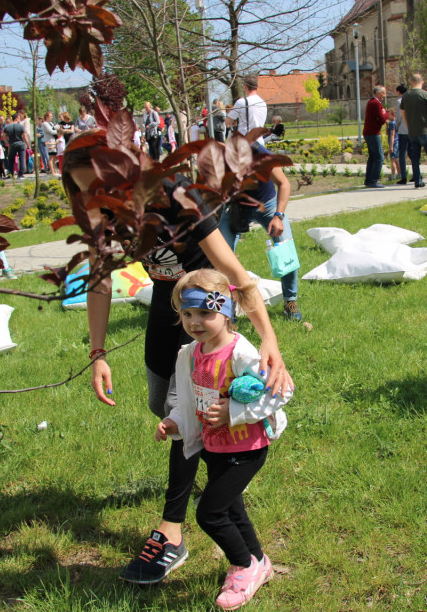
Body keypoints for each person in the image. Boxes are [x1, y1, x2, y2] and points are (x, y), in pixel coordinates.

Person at [61, 130, 292, 586]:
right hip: (166, 305)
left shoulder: (175, 198)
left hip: (203, 307)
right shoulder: (97, 214)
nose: (97, 198)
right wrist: (98, 352)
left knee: (191, 413)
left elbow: (235, 275)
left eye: (104, 185)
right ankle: (219, 496)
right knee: (166, 410)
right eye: (85, 189)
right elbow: (102, 281)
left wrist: (269, 340)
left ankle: (172, 531)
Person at [155, 268, 290, 610]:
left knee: (210, 513)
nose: (195, 322)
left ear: (227, 312)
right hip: (214, 447)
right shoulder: (190, 353)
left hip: (246, 447)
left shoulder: (242, 353)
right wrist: (174, 422)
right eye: (187, 313)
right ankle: (259, 561)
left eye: (205, 313)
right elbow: (191, 400)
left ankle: (243, 565)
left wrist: (234, 413)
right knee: (232, 508)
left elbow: (280, 391)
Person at [218, 152, 303, 322]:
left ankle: (290, 302)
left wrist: (278, 216)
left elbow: (284, 183)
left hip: (268, 205)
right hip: (237, 207)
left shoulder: (263, 157)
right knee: (220, 256)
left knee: (286, 249)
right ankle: (227, 307)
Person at [401, 74, 427, 188]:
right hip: (425, 130)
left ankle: (417, 181)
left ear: (411, 82)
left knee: (415, 157)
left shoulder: (405, 96)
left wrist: (409, 126)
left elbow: (403, 114)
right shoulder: (426, 94)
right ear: (422, 82)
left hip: (413, 131)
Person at [362, 86, 391, 188]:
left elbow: (381, 116)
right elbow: (382, 119)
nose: (385, 96)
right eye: (383, 93)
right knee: (379, 157)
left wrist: (384, 112)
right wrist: (387, 113)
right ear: (379, 93)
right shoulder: (375, 103)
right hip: (373, 133)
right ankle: (373, 180)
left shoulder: (373, 102)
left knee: (372, 157)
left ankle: (368, 180)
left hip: (369, 132)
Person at [226, 76, 268, 145]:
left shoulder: (241, 102)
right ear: (257, 86)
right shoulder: (263, 103)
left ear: (245, 86)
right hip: (259, 142)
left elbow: (228, 122)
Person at [392, 84, 409, 184]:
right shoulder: (411, 99)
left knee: (402, 154)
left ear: (398, 92)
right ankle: (417, 175)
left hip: (403, 129)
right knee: (413, 153)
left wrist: (397, 127)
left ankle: (403, 176)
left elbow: (398, 117)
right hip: (413, 130)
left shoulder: (399, 101)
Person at [3, 113, 29, 178]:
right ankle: (20, 174)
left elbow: (4, 137)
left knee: (11, 160)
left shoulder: (7, 127)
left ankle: (11, 173)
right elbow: (25, 137)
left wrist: (8, 143)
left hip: (12, 144)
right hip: (20, 143)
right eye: (19, 118)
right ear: (17, 118)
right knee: (22, 159)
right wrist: (28, 144)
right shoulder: (21, 127)